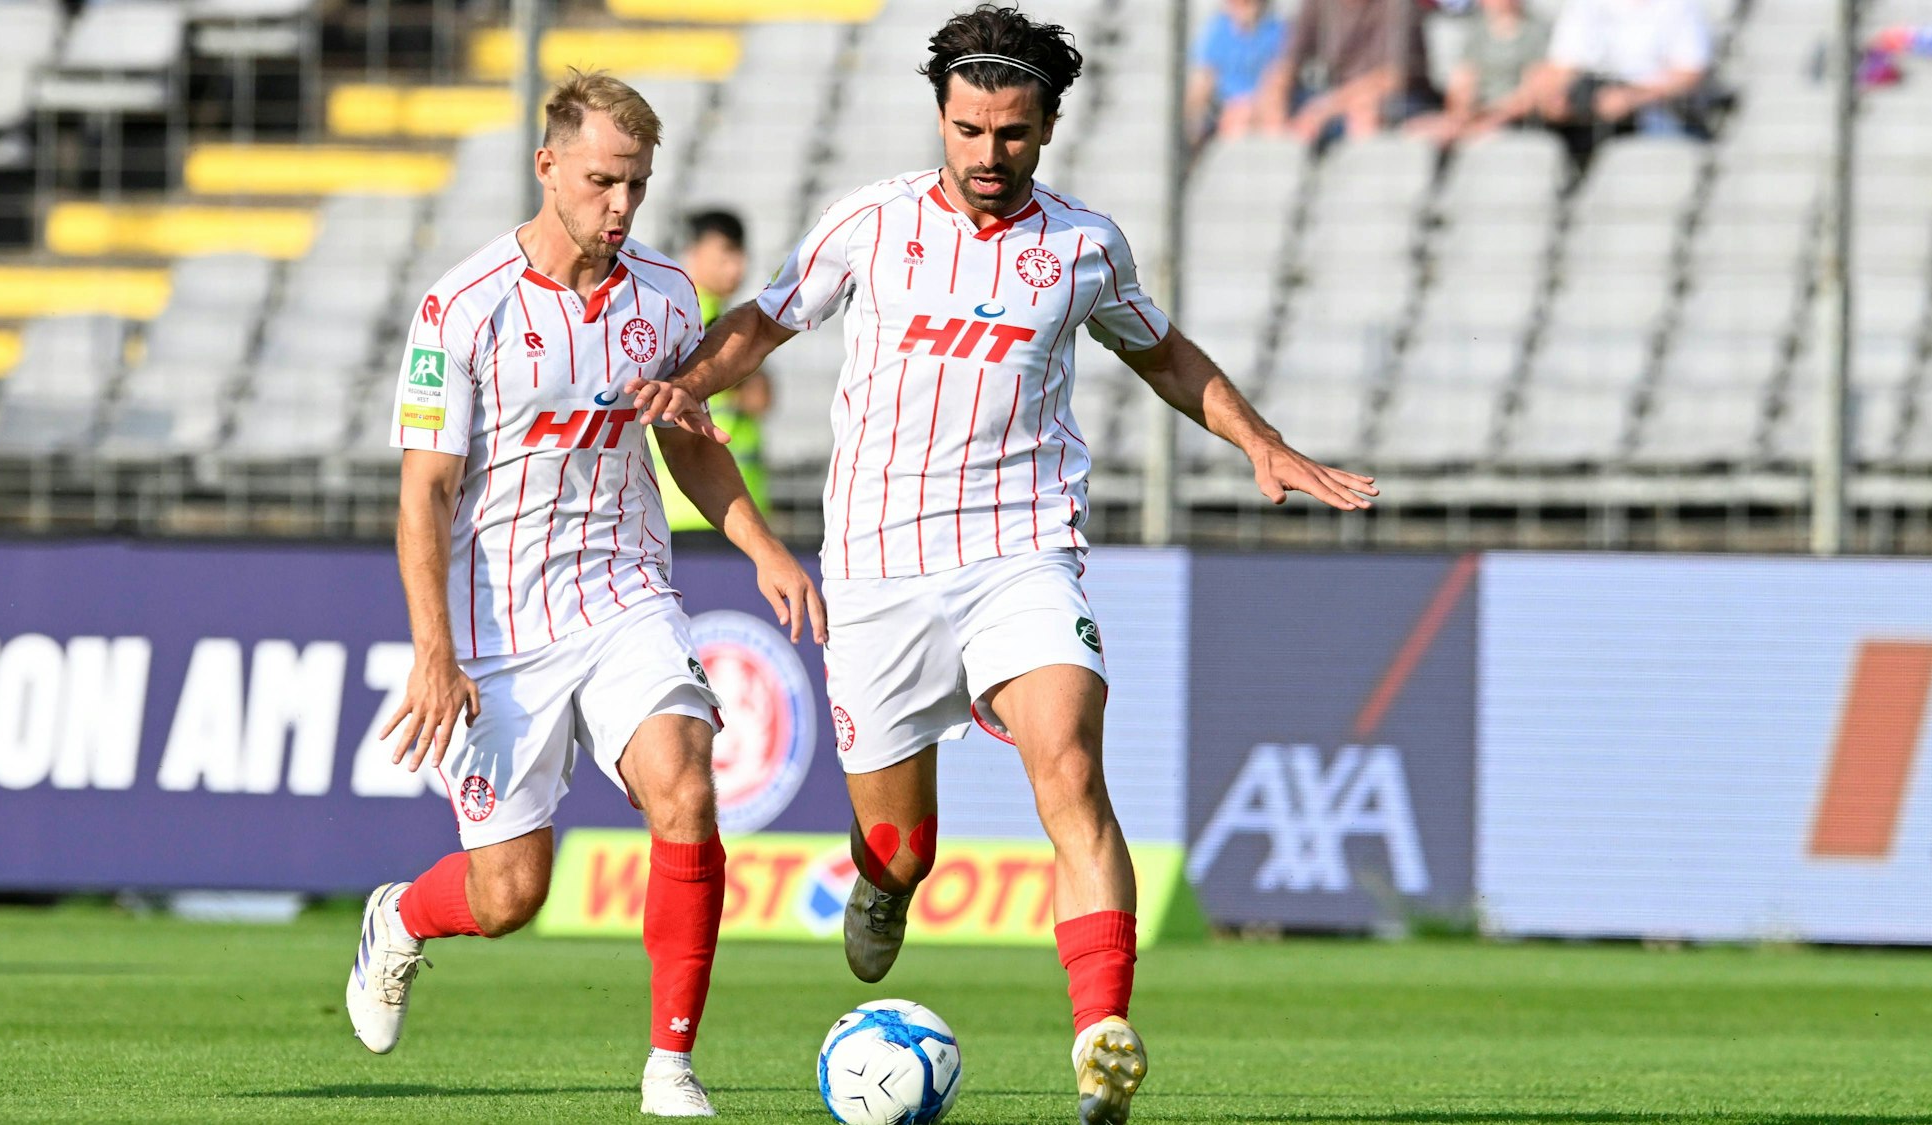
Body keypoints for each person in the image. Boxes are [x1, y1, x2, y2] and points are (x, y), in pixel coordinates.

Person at [631, 6, 1379, 1122]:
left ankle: (1101, 1040)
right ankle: (883, 890)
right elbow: (763, 323)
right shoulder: (869, 226)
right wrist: (685, 382)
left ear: (1046, 129)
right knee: (896, 847)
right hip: (878, 574)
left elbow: (1162, 352)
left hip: (1018, 555)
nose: (989, 156)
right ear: (941, 116)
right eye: (971, 130)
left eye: (1013, 135)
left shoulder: (1082, 247)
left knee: (1069, 768)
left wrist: (1256, 437)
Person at [344, 70, 825, 1119]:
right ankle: (399, 921)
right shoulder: (459, 309)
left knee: (687, 787)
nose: (619, 206)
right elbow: (424, 494)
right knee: (510, 895)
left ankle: (669, 1067)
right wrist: (434, 651)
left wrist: (759, 546)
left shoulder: (662, 294)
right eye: (603, 181)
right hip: (498, 628)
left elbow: (686, 442)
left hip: (625, 596)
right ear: (547, 166)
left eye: (637, 186)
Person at [652, 209, 774, 531]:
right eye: (726, 254)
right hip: (700, 507)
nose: (737, 267)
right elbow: (759, 396)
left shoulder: (717, 315)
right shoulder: (693, 319)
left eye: (740, 255)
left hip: (718, 506)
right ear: (692, 253)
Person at [1258, 0, 1435, 144]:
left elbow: (1394, 77)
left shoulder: (1400, 6)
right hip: (1334, 96)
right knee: (1246, 114)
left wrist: (1326, 108)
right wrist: (1274, 100)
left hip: (1401, 100)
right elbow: (1285, 63)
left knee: (1364, 115)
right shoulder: (1318, 4)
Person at [1532, 0, 1712, 138]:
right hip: (1591, 107)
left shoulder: (1680, 6)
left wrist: (1633, 98)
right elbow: (1562, 65)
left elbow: (1691, 74)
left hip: (1654, 108)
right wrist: (1555, 97)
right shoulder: (1585, 5)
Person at [1406, 0, 1551, 144]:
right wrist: (1460, 119)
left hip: (1513, 120)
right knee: (1415, 132)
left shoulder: (1535, 32)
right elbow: (1464, 80)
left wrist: (1490, 119)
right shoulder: (1477, 31)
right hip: (1477, 114)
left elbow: (1531, 92)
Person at [1185, 0, 1286, 148]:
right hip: (1223, 112)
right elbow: (1201, 84)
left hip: (1262, 111)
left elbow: (1278, 81)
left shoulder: (1278, 32)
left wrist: (1250, 108)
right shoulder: (1216, 32)